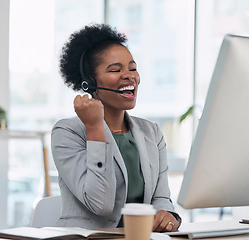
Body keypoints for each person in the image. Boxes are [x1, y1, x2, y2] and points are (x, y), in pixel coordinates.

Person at [51, 23, 181, 232]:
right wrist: (94, 127)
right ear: (90, 84)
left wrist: (169, 216)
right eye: (115, 70)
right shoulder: (67, 132)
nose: (129, 76)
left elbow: (161, 198)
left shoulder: (152, 132)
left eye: (133, 68)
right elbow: (100, 204)